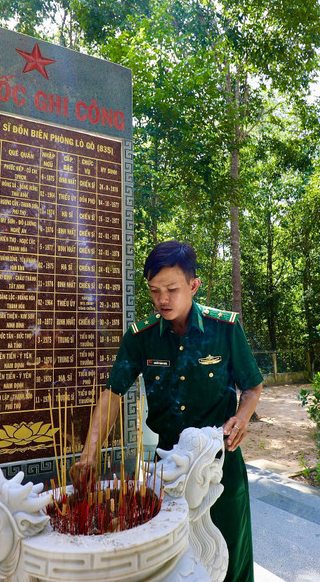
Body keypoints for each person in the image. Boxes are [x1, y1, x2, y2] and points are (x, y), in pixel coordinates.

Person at [71, 240, 263, 582]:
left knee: (229, 551)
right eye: (154, 290)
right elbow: (112, 395)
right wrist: (89, 456)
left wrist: (242, 417)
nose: (163, 299)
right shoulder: (141, 338)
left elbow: (252, 386)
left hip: (220, 460)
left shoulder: (225, 329)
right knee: (174, 558)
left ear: (193, 285)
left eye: (172, 289)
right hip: (168, 463)